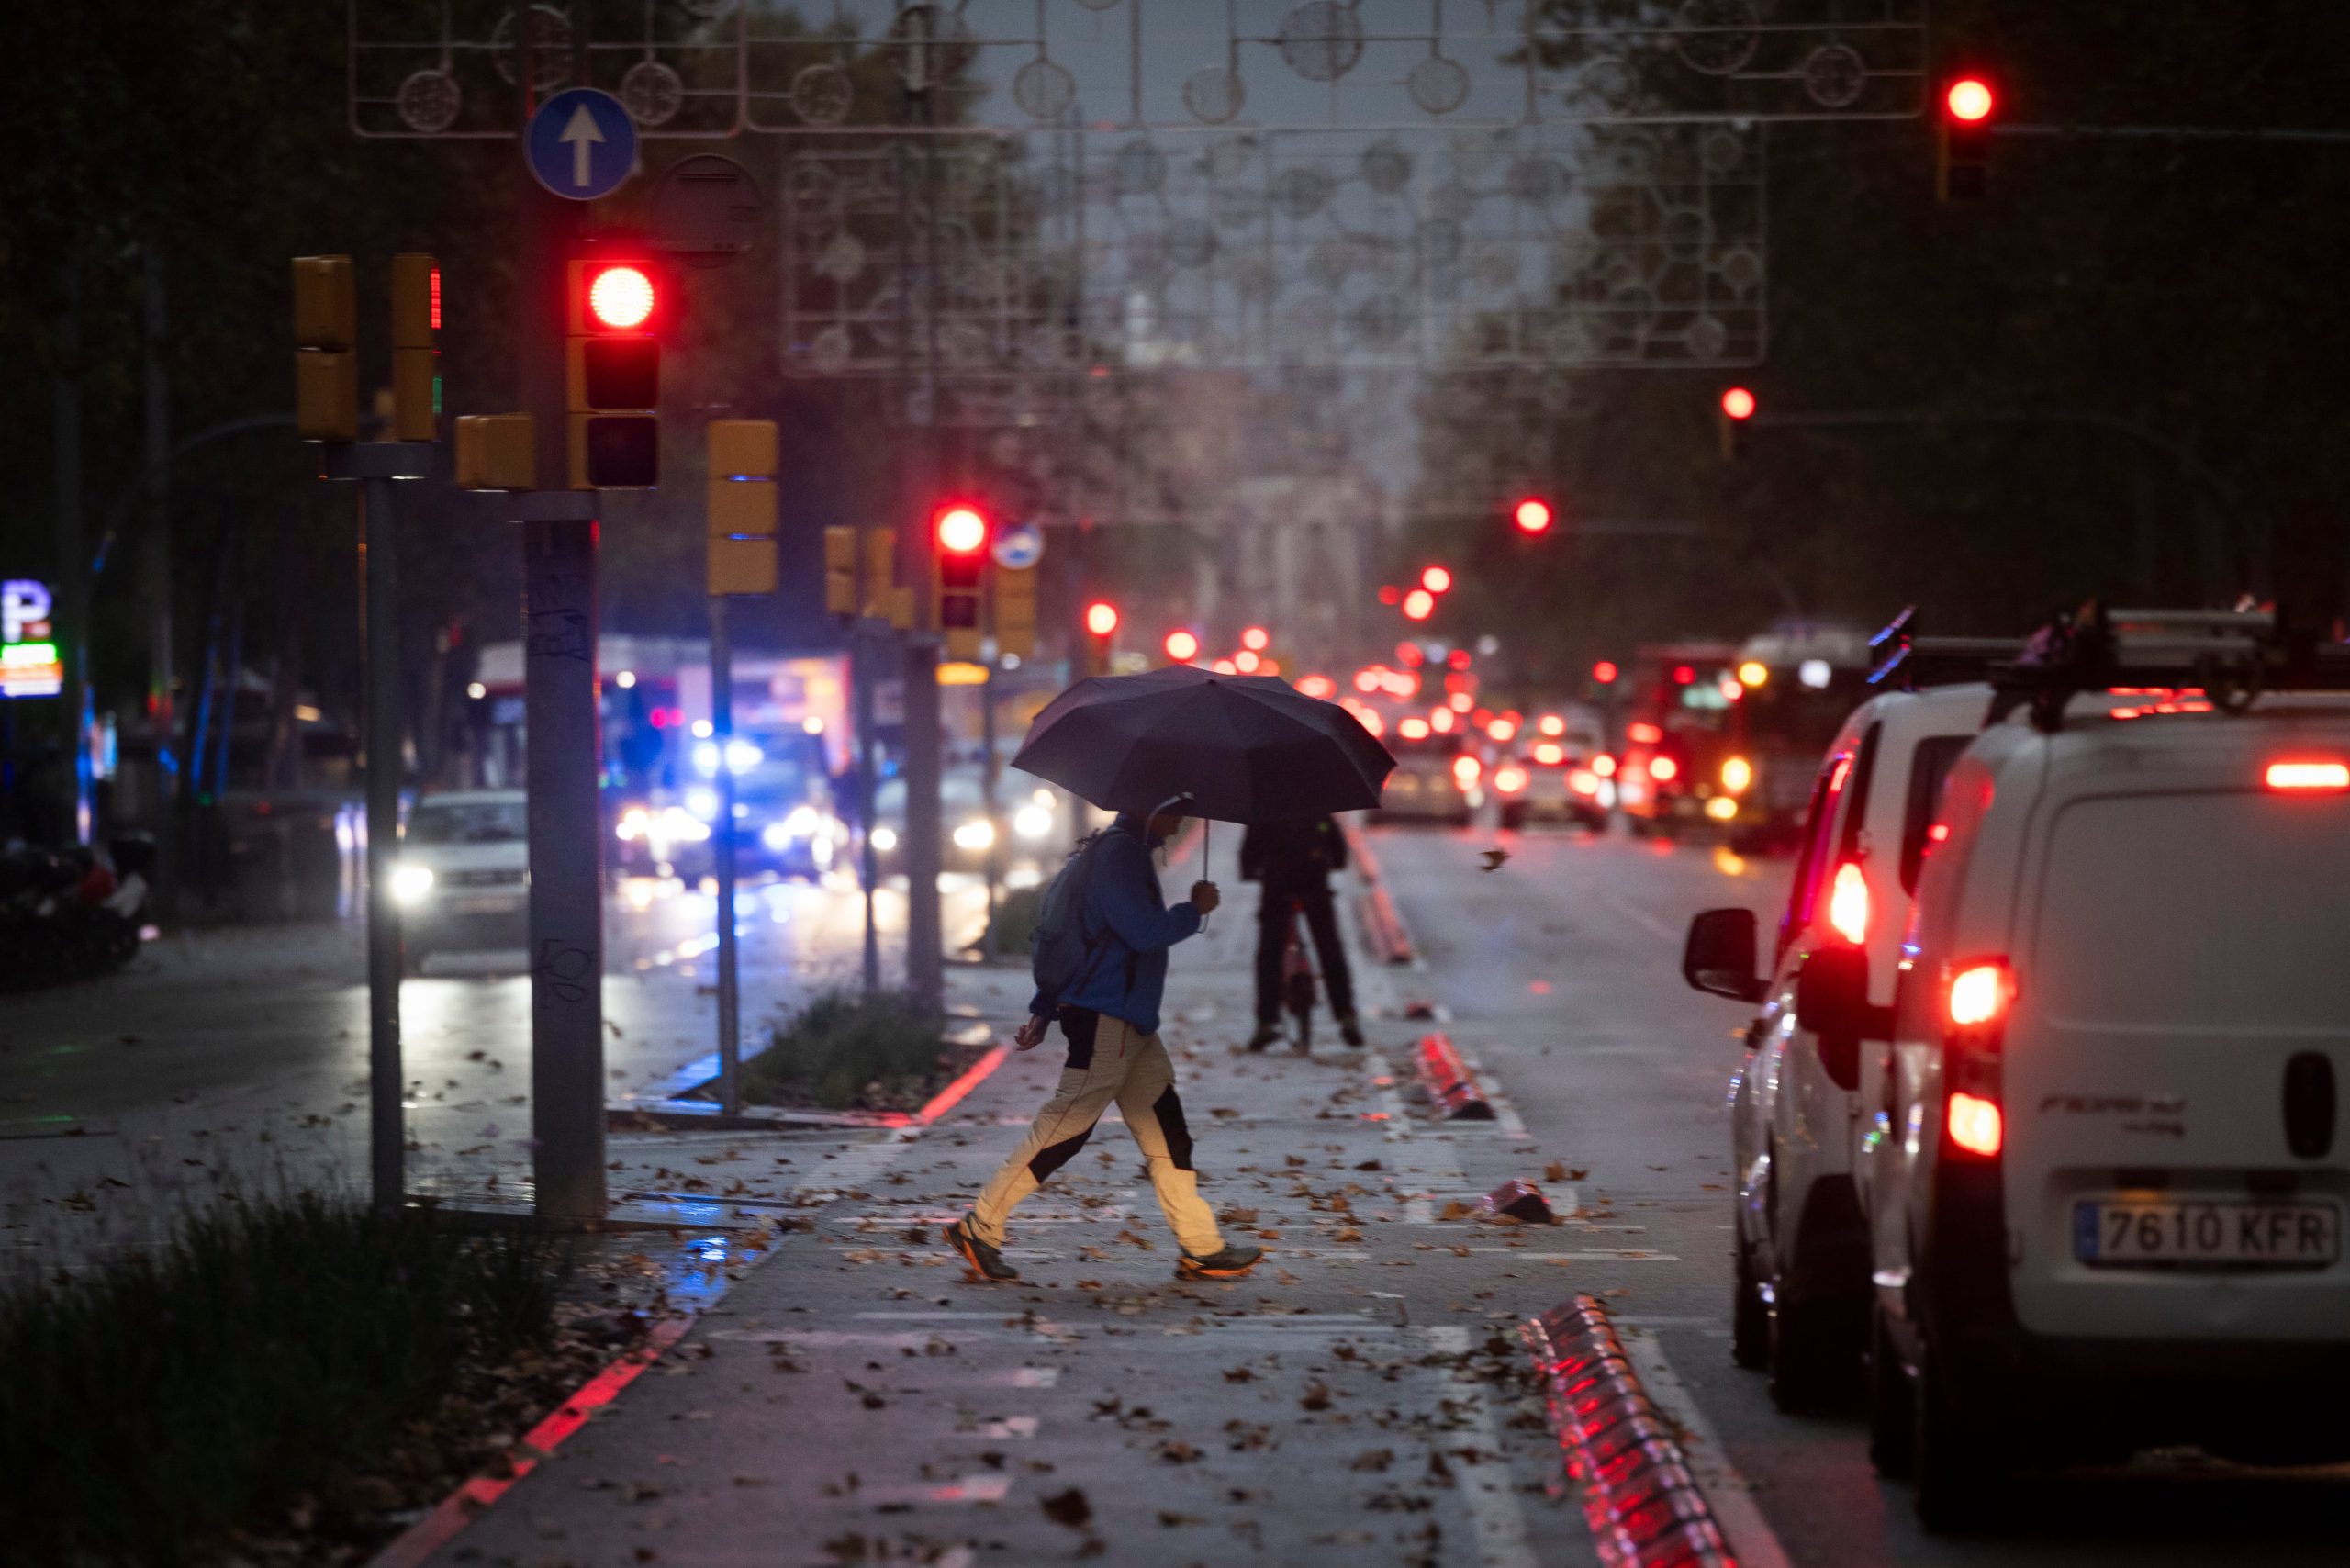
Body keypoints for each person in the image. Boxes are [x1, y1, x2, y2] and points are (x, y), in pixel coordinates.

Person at [946, 795, 1263, 1284]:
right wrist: (1192, 911)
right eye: (1177, 807)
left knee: (1167, 1133)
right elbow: (1142, 932)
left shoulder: (1117, 852)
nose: (1182, 818)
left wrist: (1044, 1008)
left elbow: (1077, 935)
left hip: (1128, 1022)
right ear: (1154, 807)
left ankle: (1201, 1247)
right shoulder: (1120, 856)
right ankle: (980, 1225)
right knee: (1064, 1129)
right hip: (1106, 1020)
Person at [1239, 813, 1362, 1051]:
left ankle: (1266, 1022)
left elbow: (1249, 851)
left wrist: (1250, 870)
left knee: (1270, 952)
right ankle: (1346, 1015)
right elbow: (1338, 850)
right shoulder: (1317, 808)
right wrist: (1334, 862)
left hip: (1276, 887)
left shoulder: (1266, 811)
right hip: (1314, 882)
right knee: (1329, 947)